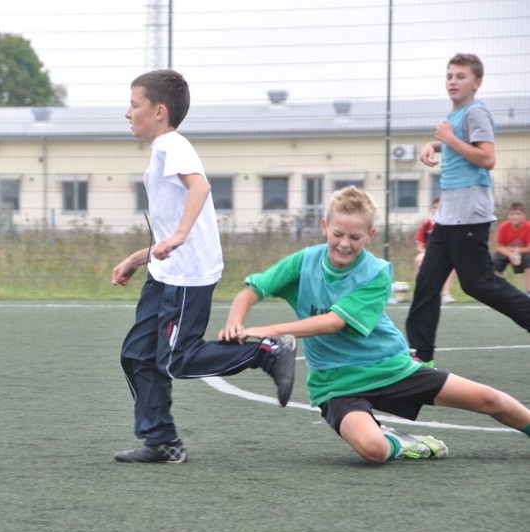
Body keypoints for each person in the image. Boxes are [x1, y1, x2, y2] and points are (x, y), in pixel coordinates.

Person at [218, 186, 530, 463]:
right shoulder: (304, 261)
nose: (344, 243)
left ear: (370, 235)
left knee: (489, 400)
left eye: (355, 237)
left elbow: (334, 322)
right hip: (335, 383)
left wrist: (268, 331)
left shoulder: (377, 272)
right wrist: (235, 323)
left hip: (390, 368)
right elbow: (253, 289)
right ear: (325, 226)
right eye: (338, 233)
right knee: (373, 450)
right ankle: (405, 443)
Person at [111, 69, 296, 464]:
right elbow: (170, 225)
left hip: (187, 276)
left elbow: (200, 187)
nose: (128, 113)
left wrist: (178, 235)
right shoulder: (162, 150)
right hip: (165, 273)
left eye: (134, 104)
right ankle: (161, 440)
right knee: (138, 354)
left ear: (159, 111)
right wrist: (137, 257)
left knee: (177, 358)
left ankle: (265, 351)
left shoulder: (171, 145)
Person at [405, 53, 530, 366]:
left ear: (477, 82)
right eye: (449, 76)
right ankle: (422, 357)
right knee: (428, 282)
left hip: (469, 210)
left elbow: (487, 158)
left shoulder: (476, 113)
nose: (452, 81)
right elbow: (459, 142)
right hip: (448, 213)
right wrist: (432, 145)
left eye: (460, 76)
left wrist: (446, 138)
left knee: (478, 283)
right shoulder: (458, 116)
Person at [413, 198, 456, 303]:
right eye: (435, 207)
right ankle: (420, 292)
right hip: (428, 254)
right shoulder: (427, 224)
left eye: (440, 208)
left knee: (452, 262)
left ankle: (445, 294)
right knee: (419, 259)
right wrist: (427, 253)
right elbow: (419, 245)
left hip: (445, 255)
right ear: (431, 209)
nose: (437, 210)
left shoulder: (451, 224)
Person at [492, 202, 530, 296]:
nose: (515, 217)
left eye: (518, 214)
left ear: (523, 215)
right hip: (507, 252)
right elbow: (499, 246)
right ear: (508, 216)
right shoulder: (503, 227)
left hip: (524, 252)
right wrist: (510, 254)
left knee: (529, 261)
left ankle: (528, 292)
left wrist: (515, 250)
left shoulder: (528, 227)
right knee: (494, 262)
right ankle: (502, 290)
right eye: (512, 214)